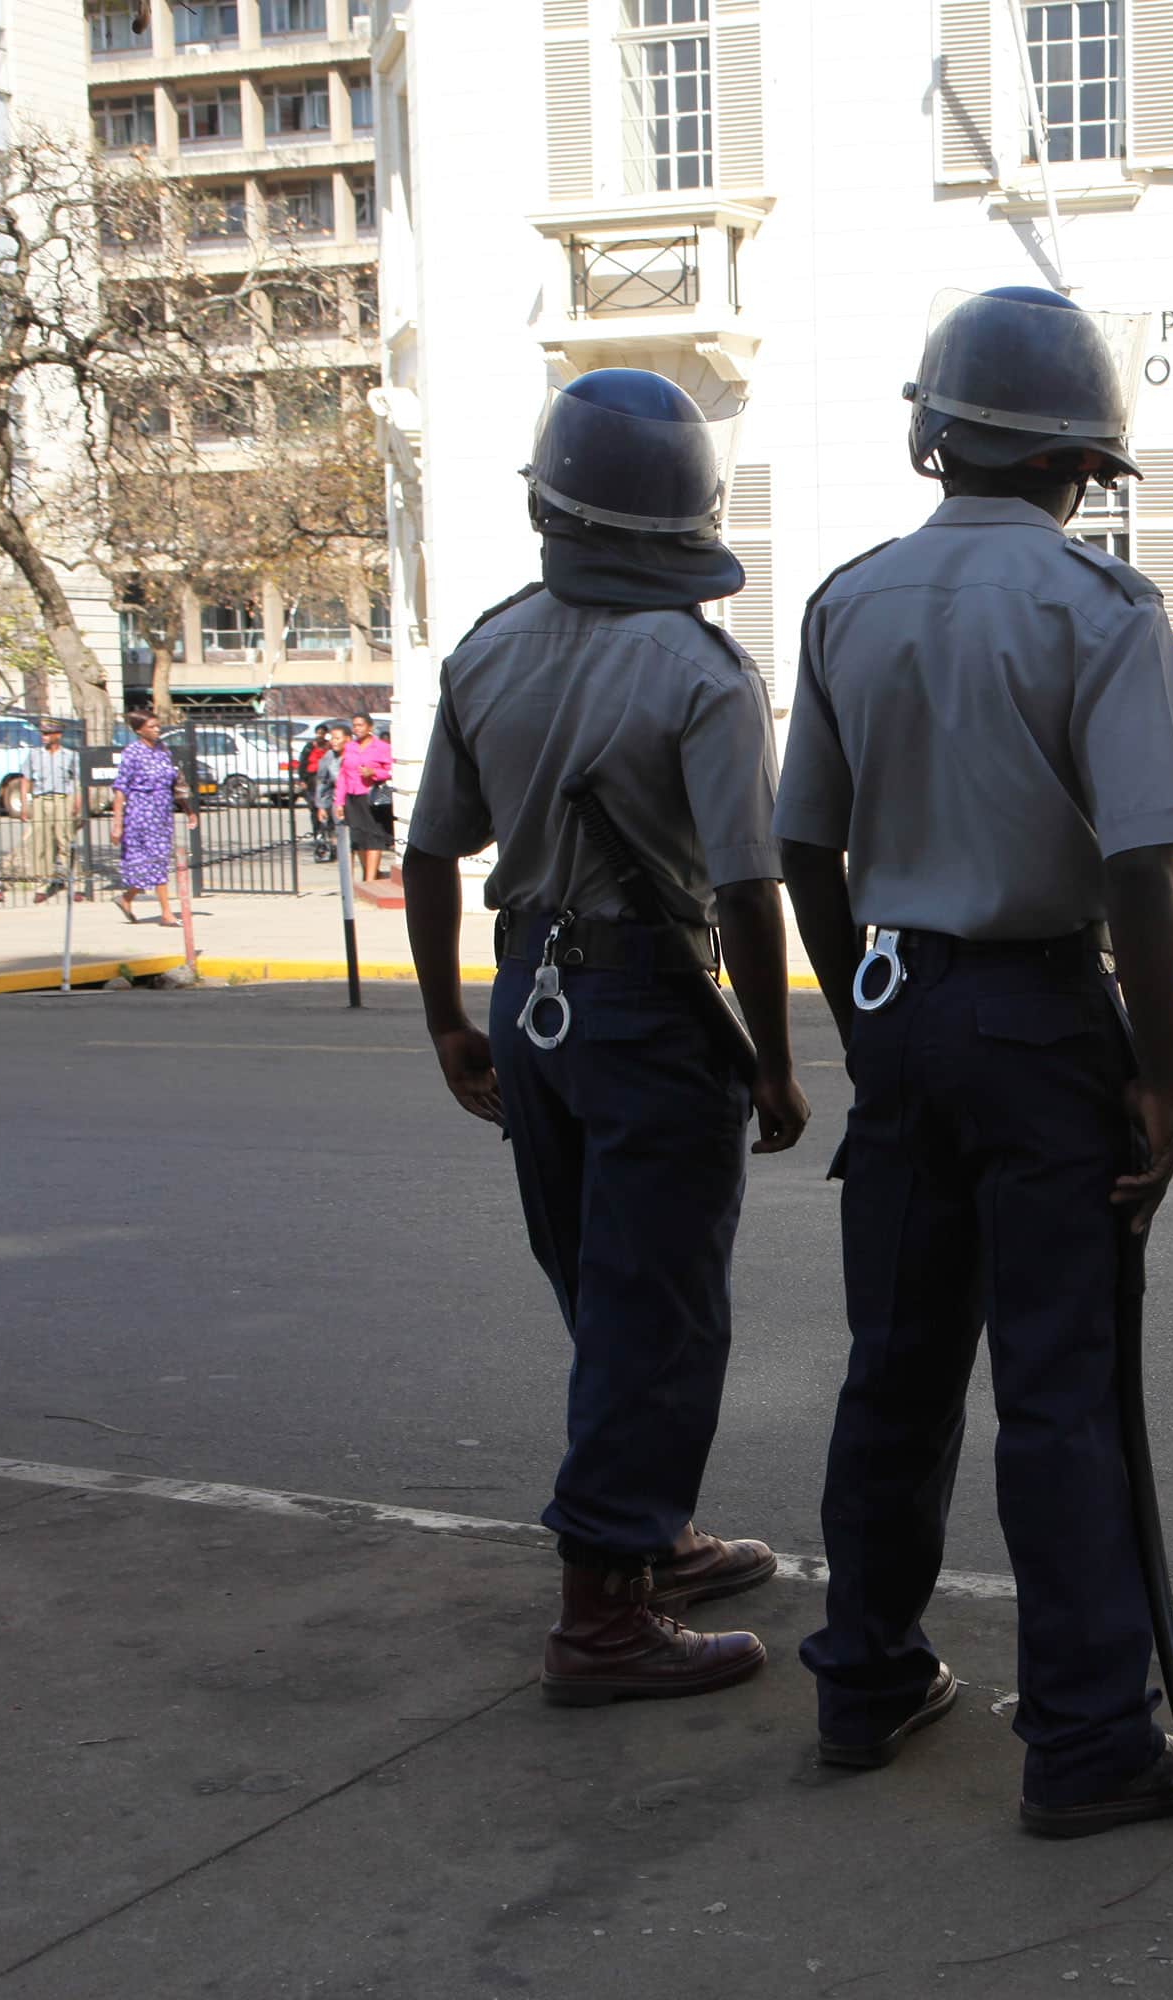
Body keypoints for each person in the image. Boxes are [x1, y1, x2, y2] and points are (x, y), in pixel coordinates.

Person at [779, 284, 1173, 1837]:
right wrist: (1161, 1077)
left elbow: (804, 841)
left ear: (937, 437)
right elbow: (1143, 864)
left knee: (895, 1368)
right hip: (1044, 1023)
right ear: (1080, 465)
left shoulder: (848, 600)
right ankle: (1091, 1740)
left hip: (905, 1015)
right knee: (1061, 1393)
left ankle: (864, 1677)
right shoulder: (1099, 609)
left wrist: (866, 1014)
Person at [400, 365, 810, 1709]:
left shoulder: (488, 646)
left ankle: (650, 1539)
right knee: (665, 1304)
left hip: (531, 1005)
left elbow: (430, 853)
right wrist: (774, 1053)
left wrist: (453, 1021)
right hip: (645, 1008)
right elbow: (749, 886)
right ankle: (602, 1618)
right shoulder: (701, 672)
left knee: (599, 1285)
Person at [111, 710, 187, 926]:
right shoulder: (132, 753)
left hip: (162, 814)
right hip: (140, 814)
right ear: (139, 730)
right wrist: (117, 824)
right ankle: (166, 913)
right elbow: (120, 789)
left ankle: (126, 898)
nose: (157, 729)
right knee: (155, 861)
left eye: (157, 725)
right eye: (151, 726)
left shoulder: (163, 750)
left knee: (155, 862)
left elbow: (174, 782)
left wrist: (187, 809)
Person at [19, 718, 83, 902]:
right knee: (42, 843)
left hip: (63, 799)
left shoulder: (70, 755)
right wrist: (25, 804)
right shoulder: (34, 754)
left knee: (66, 841)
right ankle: (42, 885)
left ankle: (75, 883)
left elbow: (77, 780)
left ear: (58, 735)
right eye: (42, 733)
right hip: (41, 799)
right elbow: (26, 779)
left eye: (48, 733)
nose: (44, 737)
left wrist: (77, 800)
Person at [339, 712, 394, 884]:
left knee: (373, 838)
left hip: (372, 797)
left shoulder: (382, 747)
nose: (357, 729)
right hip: (352, 796)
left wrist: (374, 773)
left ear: (370, 727)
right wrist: (339, 802)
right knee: (357, 839)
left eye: (360, 725)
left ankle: (370, 880)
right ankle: (370, 873)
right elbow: (342, 775)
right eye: (354, 725)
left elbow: (392, 770)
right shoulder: (350, 747)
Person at [303, 724, 344, 857]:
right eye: (333, 738)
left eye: (337, 738)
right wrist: (321, 805)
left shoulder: (355, 754)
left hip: (355, 799)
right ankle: (333, 848)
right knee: (332, 825)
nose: (334, 741)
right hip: (331, 795)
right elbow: (323, 781)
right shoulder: (328, 756)